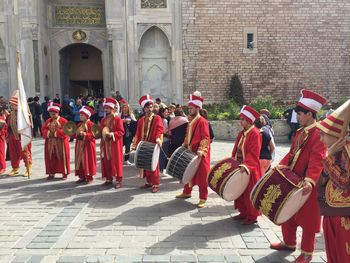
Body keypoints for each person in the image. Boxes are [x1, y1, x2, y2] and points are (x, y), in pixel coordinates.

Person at [270, 89, 327, 263]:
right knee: (288, 212)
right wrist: (279, 166)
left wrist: (310, 181)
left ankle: (307, 253)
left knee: (309, 220)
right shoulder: (300, 132)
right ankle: (289, 242)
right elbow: (292, 153)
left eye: (300, 114)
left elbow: (318, 159)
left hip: (309, 184)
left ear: (310, 114)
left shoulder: (318, 134)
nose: (297, 117)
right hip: (293, 180)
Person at [317, 99, 350, 263]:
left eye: (323, 134)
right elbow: (323, 179)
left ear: (335, 135)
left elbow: (345, 182)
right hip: (332, 212)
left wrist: (328, 157)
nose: (321, 139)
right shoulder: (336, 151)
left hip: (345, 218)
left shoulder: (347, 151)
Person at [176, 91, 210, 208]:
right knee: (188, 172)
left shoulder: (202, 121)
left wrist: (202, 150)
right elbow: (188, 136)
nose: (189, 110)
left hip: (200, 153)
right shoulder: (190, 121)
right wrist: (184, 144)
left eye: (191, 108)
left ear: (197, 108)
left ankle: (203, 198)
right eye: (189, 108)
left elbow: (205, 138)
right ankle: (187, 192)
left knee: (202, 176)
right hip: (190, 151)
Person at [231, 105, 262, 225]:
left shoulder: (255, 133)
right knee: (240, 192)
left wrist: (246, 166)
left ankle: (252, 216)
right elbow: (236, 149)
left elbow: (254, 153)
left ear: (249, 120)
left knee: (249, 192)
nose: (241, 121)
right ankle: (243, 212)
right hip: (240, 166)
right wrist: (233, 161)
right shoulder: (242, 133)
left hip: (250, 169)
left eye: (242, 119)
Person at [132, 95, 164, 193]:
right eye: (147, 107)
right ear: (144, 108)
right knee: (146, 165)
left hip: (153, 145)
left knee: (154, 165)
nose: (149, 109)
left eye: (151, 107)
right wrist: (135, 144)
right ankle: (149, 182)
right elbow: (137, 133)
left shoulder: (157, 118)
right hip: (143, 145)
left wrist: (158, 138)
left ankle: (155, 184)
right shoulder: (141, 120)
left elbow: (160, 129)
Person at [100, 98, 125, 188]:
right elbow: (101, 130)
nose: (106, 109)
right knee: (106, 161)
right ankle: (108, 179)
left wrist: (113, 134)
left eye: (108, 108)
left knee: (116, 162)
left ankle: (118, 180)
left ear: (112, 109)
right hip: (105, 144)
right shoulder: (103, 120)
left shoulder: (117, 119)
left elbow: (121, 132)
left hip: (115, 144)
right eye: (105, 108)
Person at [6, 93, 33, 177]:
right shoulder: (10, 114)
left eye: (13, 104)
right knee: (13, 153)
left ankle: (29, 167)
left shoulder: (24, 114)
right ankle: (15, 168)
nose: (11, 106)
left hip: (22, 136)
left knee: (25, 152)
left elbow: (29, 125)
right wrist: (7, 136)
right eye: (11, 104)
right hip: (12, 136)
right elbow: (8, 126)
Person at [42, 102, 70, 180]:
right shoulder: (48, 121)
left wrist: (55, 133)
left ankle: (64, 173)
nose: (52, 116)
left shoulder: (63, 121)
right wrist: (48, 133)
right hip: (50, 142)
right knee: (50, 158)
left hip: (61, 143)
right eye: (51, 114)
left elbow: (66, 131)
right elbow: (43, 129)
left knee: (62, 157)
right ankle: (51, 173)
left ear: (58, 113)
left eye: (54, 114)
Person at [73, 106, 96, 184]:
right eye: (80, 115)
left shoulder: (91, 124)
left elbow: (94, 134)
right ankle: (81, 176)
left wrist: (85, 134)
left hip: (88, 146)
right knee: (80, 161)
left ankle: (89, 177)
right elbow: (76, 134)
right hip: (79, 145)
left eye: (82, 115)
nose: (80, 116)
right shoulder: (79, 124)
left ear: (87, 116)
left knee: (87, 161)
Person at [120, 99, 136, 165]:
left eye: (126, 107)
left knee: (127, 147)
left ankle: (126, 159)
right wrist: (122, 121)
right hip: (121, 134)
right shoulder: (119, 115)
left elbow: (135, 123)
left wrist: (130, 121)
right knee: (119, 146)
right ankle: (119, 158)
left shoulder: (131, 115)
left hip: (128, 134)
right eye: (123, 107)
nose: (124, 108)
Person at [158, 107, 169, 173]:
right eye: (166, 112)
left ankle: (159, 169)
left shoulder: (158, 119)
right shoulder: (164, 120)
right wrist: (168, 130)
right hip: (164, 139)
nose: (167, 113)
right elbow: (164, 131)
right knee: (163, 155)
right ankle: (161, 169)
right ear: (162, 113)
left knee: (159, 155)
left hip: (158, 139)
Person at [0, 106, 8, 174]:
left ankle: (3, 167)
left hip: (0, 138)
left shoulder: (2, 119)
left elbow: (5, 129)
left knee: (1, 153)